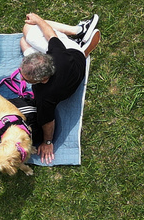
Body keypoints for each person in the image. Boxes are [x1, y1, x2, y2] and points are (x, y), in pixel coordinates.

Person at [19, 12, 100, 164]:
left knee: (25, 35)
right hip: (74, 59)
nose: (21, 77)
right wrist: (38, 19)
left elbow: (48, 121)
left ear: (42, 80)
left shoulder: (43, 95)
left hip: (69, 78)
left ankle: (80, 31)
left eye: (25, 77)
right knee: (26, 37)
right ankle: (79, 41)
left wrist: (48, 142)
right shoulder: (57, 53)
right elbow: (50, 34)